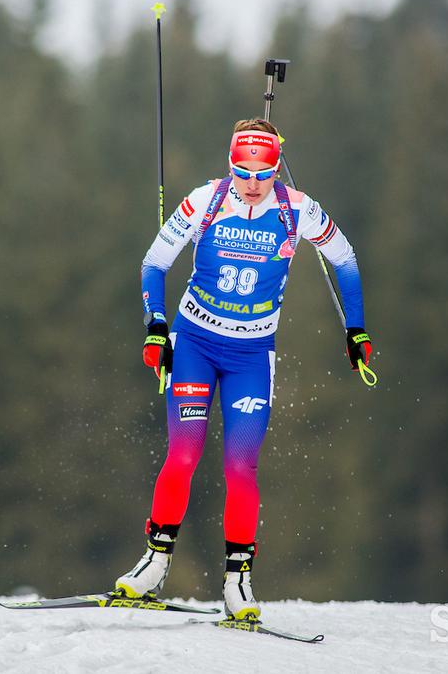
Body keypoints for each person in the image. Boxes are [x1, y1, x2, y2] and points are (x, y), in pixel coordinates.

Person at [114, 118, 373, 621]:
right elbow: (154, 262)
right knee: (184, 456)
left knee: (240, 466)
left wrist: (356, 329)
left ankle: (238, 583)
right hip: (194, 342)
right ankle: (154, 562)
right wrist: (155, 327)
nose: (252, 182)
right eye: (241, 169)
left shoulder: (298, 210)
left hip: (252, 355)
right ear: (229, 164)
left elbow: (345, 261)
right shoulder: (206, 200)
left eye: (265, 170)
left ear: (277, 164)